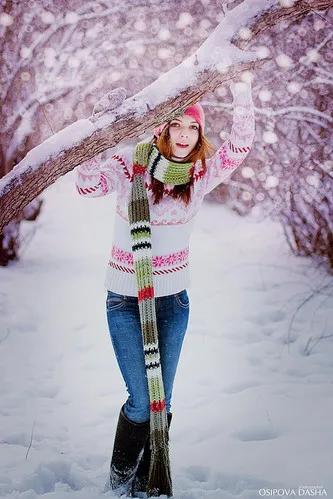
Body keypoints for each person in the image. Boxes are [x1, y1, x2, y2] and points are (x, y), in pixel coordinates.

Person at [75, 80, 255, 498]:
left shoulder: (200, 174)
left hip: (173, 302)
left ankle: (148, 483)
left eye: (192, 128)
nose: (184, 135)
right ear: (162, 130)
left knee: (162, 404)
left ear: (199, 135)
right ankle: (119, 483)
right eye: (176, 125)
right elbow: (85, 185)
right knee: (141, 401)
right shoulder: (128, 167)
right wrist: (99, 130)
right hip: (124, 300)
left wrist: (242, 89)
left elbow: (241, 145)